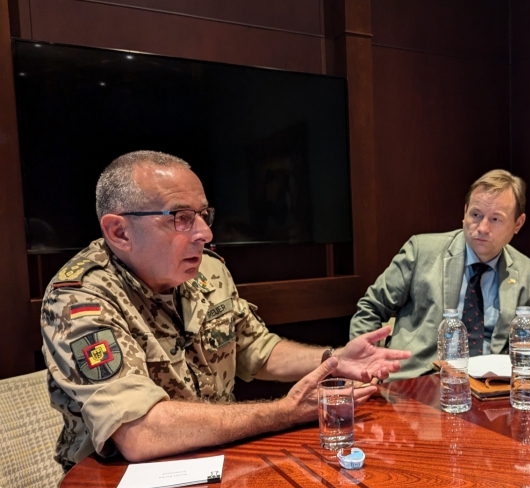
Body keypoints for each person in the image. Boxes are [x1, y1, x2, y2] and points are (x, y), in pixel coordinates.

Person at [41, 150, 410, 470]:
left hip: (219, 459)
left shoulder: (207, 268)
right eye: (181, 218)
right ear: (119, 232)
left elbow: (257, 349)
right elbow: (141, 433)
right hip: (120, 484)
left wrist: (333, 358)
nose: (204, 233)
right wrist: (285, 411)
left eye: (204, 215)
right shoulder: (79, 298)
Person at [349, 169, 530, 381]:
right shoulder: (421, 251)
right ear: (464, 213)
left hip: (490, 390)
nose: (482, 228)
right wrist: (366, 367)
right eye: (476, 215)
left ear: (518, 224)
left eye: (495, 219)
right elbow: (371, 308)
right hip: (416, 382)